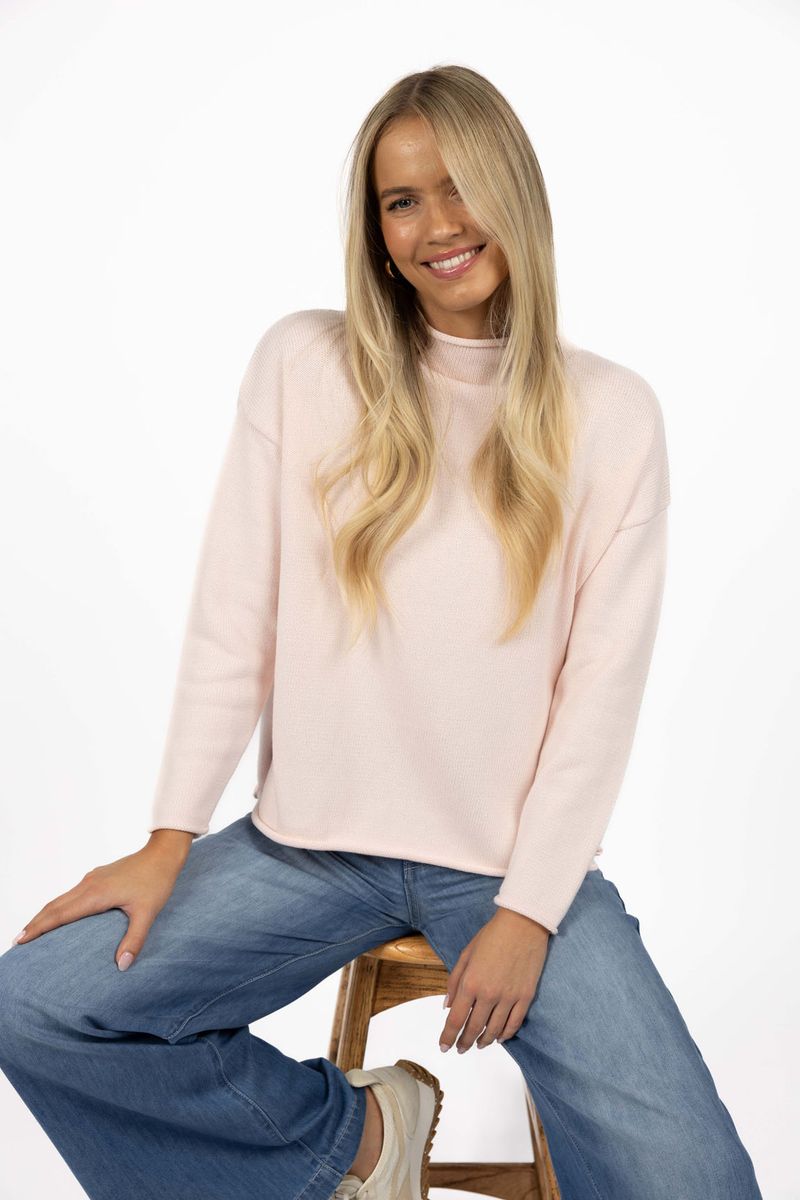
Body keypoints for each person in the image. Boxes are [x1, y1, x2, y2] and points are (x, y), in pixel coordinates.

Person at [0, 64, 762, 1200]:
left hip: (508, 864)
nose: (438, 224)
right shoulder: (304, 365)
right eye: (402, 200)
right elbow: (233, 620)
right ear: (376, 232)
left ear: (516, 190)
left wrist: (527, 910)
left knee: (693, 1181)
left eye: (461, 185)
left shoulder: (610, 413)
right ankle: (354, 1140)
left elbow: (598, 694)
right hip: (304, 848)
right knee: (34, 1006)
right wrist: (167, 838)